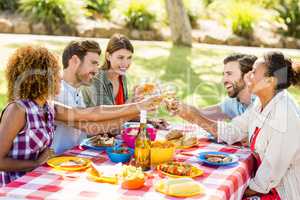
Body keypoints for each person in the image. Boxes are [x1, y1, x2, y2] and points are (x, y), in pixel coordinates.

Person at [0, 46, 160, 186]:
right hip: (15, 185)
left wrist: (138, 107)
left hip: (38, 178)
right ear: (41, 79)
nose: (61, 78)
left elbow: (92, 115)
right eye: (56, 74)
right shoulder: (18, 110)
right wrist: (35, 163)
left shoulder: (48, 107)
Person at [167, 51, 300, 199]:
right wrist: (193, 116)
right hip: (263, 184)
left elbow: (268, 176)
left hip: (282, 193)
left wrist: (235, 191)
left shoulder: (285, 117)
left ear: (270, 81)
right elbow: (232, 131)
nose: (247, 75)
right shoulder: (260, 103)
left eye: (254, 72)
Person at [81, 34, 139, 106]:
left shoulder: (122, 77)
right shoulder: (96, 79)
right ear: (108, 56)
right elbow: (107, 114)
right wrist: (135, 106)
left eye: (129, 58)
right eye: (120, 57)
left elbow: (123, 109)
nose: (125, 63)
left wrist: (134, 98)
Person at [200, 54, 257, 120]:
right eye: (223, 75)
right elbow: (203, 114)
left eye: (229, 74)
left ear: (249, 76)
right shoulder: (234, 102)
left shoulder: (264, 102)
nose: (223, 80)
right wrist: (187, 110)